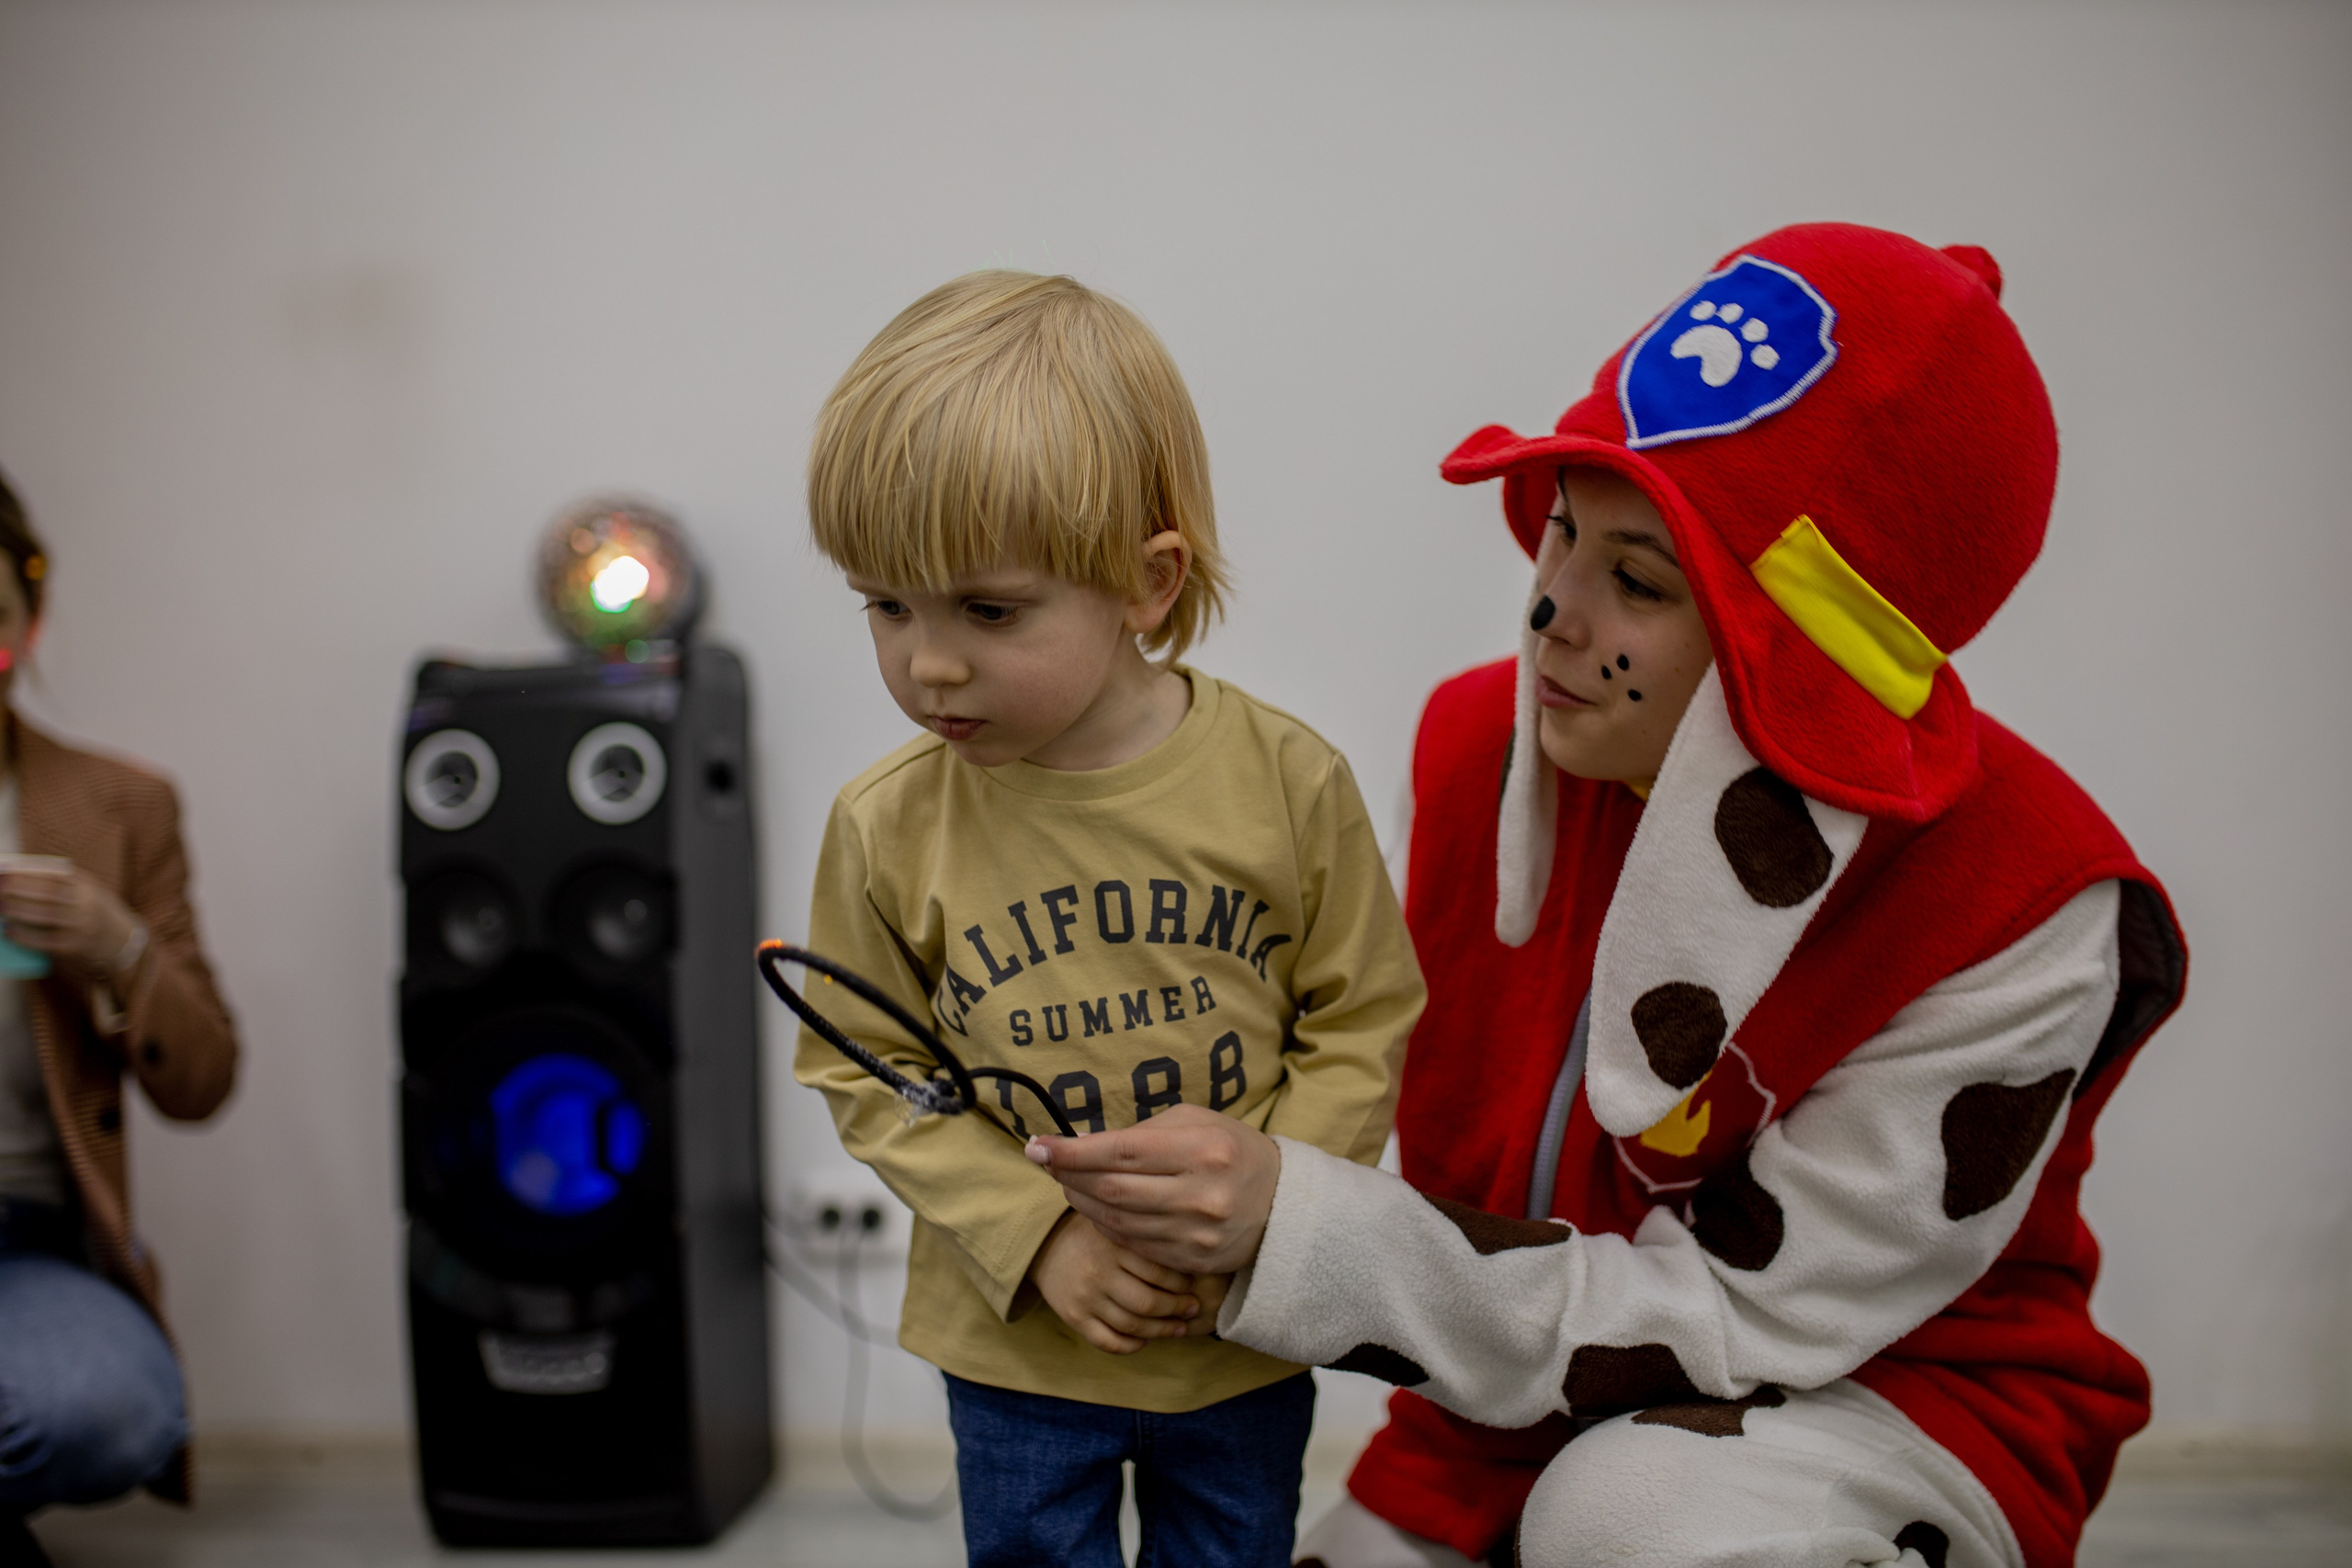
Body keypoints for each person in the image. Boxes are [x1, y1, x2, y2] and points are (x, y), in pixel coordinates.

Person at [1030, 225, 2188, 1568]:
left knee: (1625, 1512)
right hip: (1519, 1409)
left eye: (1637, 579)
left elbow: (1751, 1313)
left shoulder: (2025, 903)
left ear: (1798, 654)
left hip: (1897, 1399)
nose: (1549, 616)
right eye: (1562, 531)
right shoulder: (1478, 750)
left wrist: (1305, 1229)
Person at [794, 271, 1425, 1568]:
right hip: (1019, 1340)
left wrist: (1273, 1215)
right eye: (885, 604)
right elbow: (871, 1071)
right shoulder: (886, 826)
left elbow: (1363, 1010)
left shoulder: (1288, 782)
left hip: (1236, 1337)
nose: (928, 662)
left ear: (1145, 581)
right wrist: (1042, 1242)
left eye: (987, 608)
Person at [0, 470, 239, 1567]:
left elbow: (204, 1082)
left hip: (30, 1245)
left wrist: (119, 948)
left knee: (115, 1412)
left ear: (28, 623)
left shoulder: (120, 809)